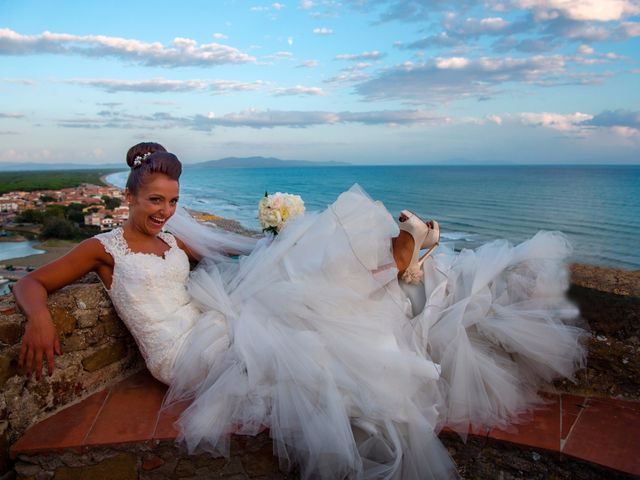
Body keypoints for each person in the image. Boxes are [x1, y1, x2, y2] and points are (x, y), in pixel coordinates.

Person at [14, 142, 586, 479]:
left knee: (301, 280)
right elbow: (34, 283)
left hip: (207, 318)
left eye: (173, 201)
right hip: (179, 352)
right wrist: (39, 316)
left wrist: (279, 238)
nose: (165, 211)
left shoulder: (172, 243)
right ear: (129, 198)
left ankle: (395, 260)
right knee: (310, 333)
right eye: (155, 200)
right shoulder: (103, 249)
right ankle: (398, 265)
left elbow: (234, 252)